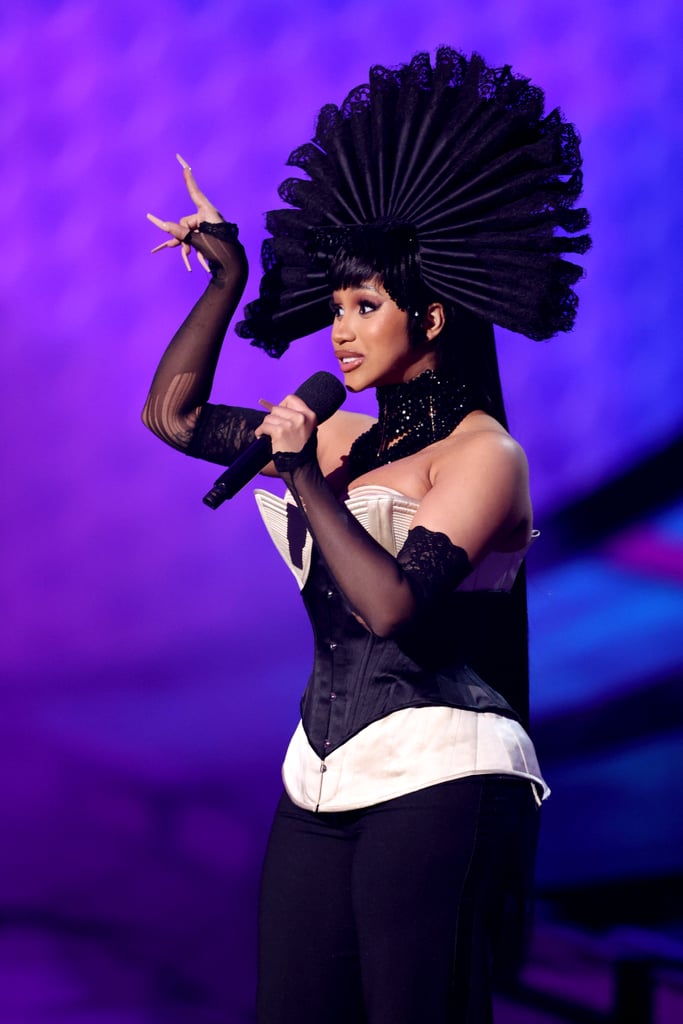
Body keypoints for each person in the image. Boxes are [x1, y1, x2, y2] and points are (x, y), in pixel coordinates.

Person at [143, 48, 590, 1024]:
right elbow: (173, 419)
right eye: (337, 306)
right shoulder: (342, 433)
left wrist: (303, 475)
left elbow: (389, 606)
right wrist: (226, 278)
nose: (339, 331)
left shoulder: (482, 457)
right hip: (319, 768)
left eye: (365, 307)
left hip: (439, 767)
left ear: (427, 314)